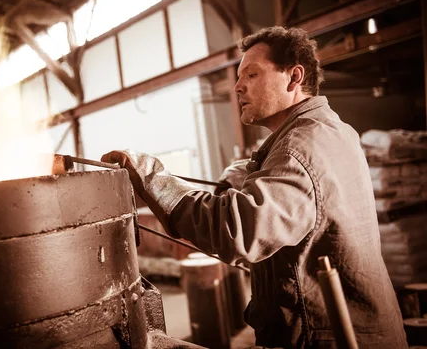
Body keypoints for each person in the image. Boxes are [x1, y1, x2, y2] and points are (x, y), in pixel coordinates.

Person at [102, 26, 407, 348]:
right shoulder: (326, 130)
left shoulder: (302, 146)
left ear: (294, 77)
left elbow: (239, 230)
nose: (237, 86)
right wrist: (249, 172)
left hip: (332, 338)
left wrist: (151, 176)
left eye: (251, 74)